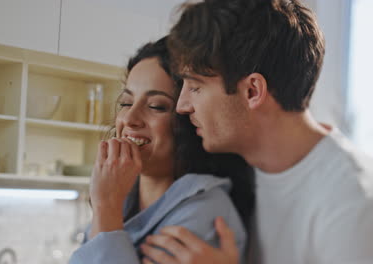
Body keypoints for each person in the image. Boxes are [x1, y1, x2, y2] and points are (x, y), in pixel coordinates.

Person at [139, 1, 373, 264]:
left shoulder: (360, 207)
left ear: (252, 91)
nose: (182, 106)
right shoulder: (240, 171)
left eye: (195, 87)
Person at [68, 37, 255, 264]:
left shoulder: (205, 214)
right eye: (126, 103)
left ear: (192, 120)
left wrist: (106, 208)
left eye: (156, 106)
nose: (129, 118)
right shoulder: (122, 201)